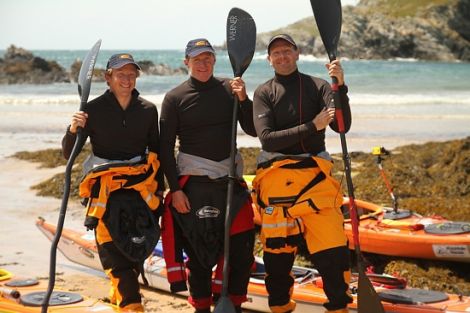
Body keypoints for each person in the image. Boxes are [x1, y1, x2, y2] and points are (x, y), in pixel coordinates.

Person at [251, 34, 353, 313]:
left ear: (297, 54)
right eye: (276, 53)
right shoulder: (263, 92)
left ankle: (340, 307)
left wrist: (340, 88)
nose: (282, 57)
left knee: (334, 258)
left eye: (287, 51)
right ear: (269, 59)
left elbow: (341, 126)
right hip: (276, 182)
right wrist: (311, 126)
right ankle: (282, 307)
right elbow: (268, 139)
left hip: (316, 179)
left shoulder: (319, 86)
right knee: (278, 267)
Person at [159, 38, 257, 313]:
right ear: (186, 62)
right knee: (200, 257)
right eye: (196, 59)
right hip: (194, 186)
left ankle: (234, 306)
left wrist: (243, 99)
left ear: (215, 60)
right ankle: (201, 308)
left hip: (229, 183)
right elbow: (165, 147)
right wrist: (175, 189)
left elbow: (251, 129)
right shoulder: (175, 98)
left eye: (207, 58)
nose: (202, 63)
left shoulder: (229, 89)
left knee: (240, 252)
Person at [62, 53, 164, 312]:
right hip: (105, 195)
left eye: (131, 74)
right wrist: (73, 129)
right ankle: (131, 306)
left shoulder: (147, 110)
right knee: (116, 260)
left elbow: (156, 154)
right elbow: (68, 153)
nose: (127, 79)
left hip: (140, 193)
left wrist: (160, 195)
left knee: (134, 254)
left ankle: (118, 300)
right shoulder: (92, 110)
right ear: (108, 78)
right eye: (121, 74)